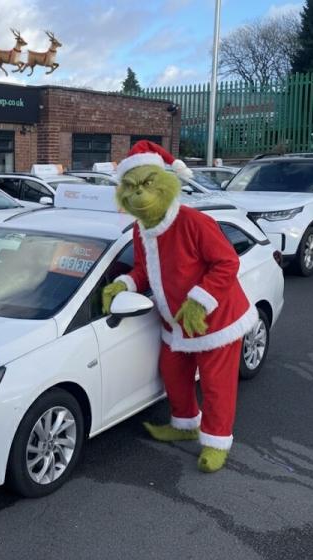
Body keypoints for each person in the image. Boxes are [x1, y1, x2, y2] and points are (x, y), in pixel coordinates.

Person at [102, 140, 257, 473]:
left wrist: (200, 301)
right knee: (173, 373)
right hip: (175, 321)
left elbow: (227, 262)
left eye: (146, 184)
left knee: (216, 384)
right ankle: (185, 424)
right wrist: (124, 284)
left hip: (216, 319)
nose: (139, 194)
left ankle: (216, 441)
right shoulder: (141, 230)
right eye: (131, 187)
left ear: (165, 183)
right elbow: (144, 270)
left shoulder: (193, 221)